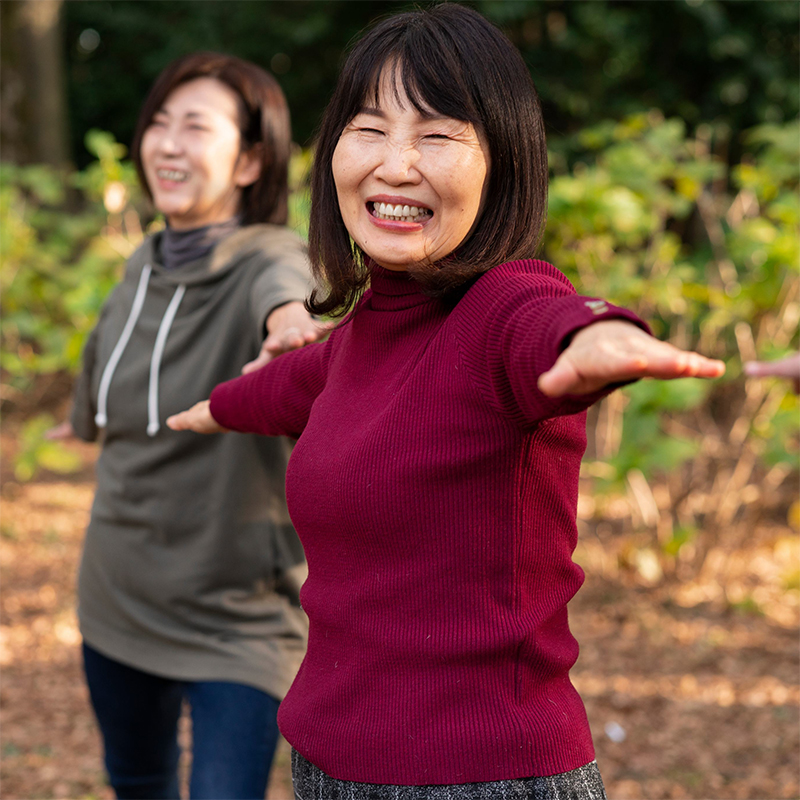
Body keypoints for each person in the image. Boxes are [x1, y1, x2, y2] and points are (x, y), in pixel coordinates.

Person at [169, 7, 726, 799]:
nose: (395, 165)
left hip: (478, 776)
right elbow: (296, 384)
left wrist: (600, 339)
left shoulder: (502, 307)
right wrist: (215, 408)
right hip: (328, 764)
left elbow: (553, 322)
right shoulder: (367, 330)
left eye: (437, 135)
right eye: (369, 129)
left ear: (503, 163)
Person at [58, 52, 328, 800]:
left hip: (238, 617)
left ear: (247, 161)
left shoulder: (267, 257)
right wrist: (78, 421)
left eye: (195, 128)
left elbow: (286, 288)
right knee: (137, 782)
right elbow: (108, 367)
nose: (168, 144)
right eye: (159, 124)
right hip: (117, 594)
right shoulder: (139, 265)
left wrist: (290, 324)